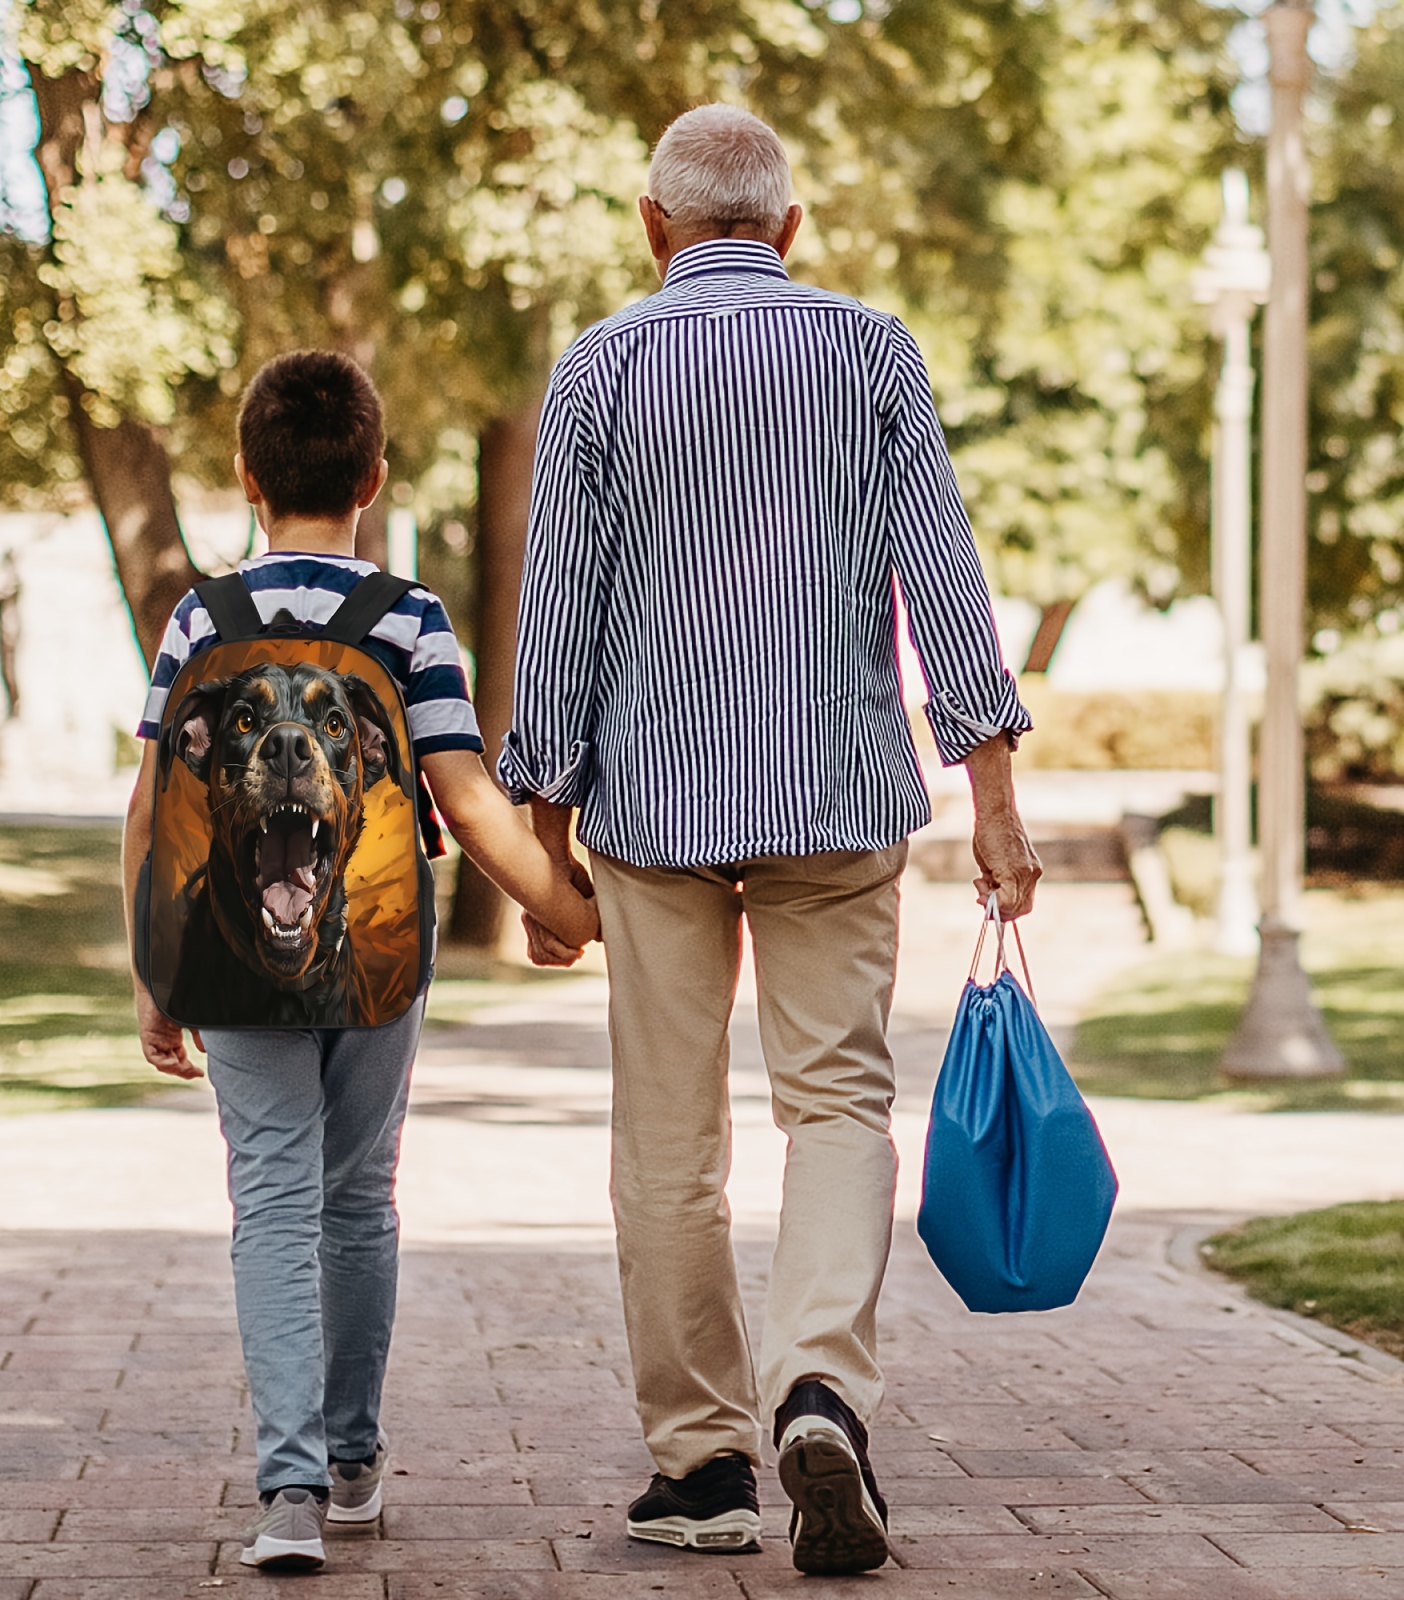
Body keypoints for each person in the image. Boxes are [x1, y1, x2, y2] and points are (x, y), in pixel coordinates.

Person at [502, 105, 1041, 1576]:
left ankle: (703, 1468)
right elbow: (943, 565)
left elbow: (558, 617)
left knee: (668, 1142)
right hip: (837, 792)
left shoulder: (600, 368)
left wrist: (542, 845)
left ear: (650, 223)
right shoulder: (871, 351)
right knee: (838, 1108)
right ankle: (821, 1389)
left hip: (655, 810)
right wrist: (992, 795)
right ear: (789, 229)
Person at [121, 351, 599, 1574]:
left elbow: (149, 799)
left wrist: (151, 963)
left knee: (270, 1198)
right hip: (382, 952)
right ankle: (350, 1464)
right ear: (374, 478)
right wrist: (573, 911)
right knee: (357, 1197)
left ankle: (284, 1496)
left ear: (245, 476)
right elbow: (469, 800)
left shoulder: (200, 618)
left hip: (229, 961)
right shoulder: (408, 618)